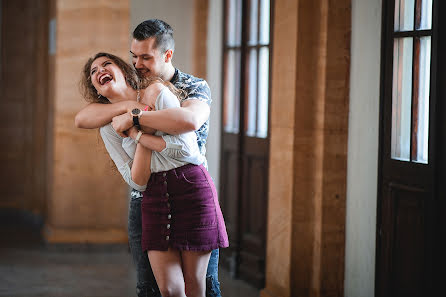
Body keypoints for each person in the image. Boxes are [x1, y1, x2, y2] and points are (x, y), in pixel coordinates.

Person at [75, 19, 222, 297]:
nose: (138, 63)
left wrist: (136, 123)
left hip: (191, 186)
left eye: (145, 57)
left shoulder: (184, 86)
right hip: (148, 197)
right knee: (153, 289)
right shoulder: (123, 104)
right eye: (133, 56)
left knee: (203, 285)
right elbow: (82, 119)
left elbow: (189, 122)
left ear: (167, 55)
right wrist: (131, 109)